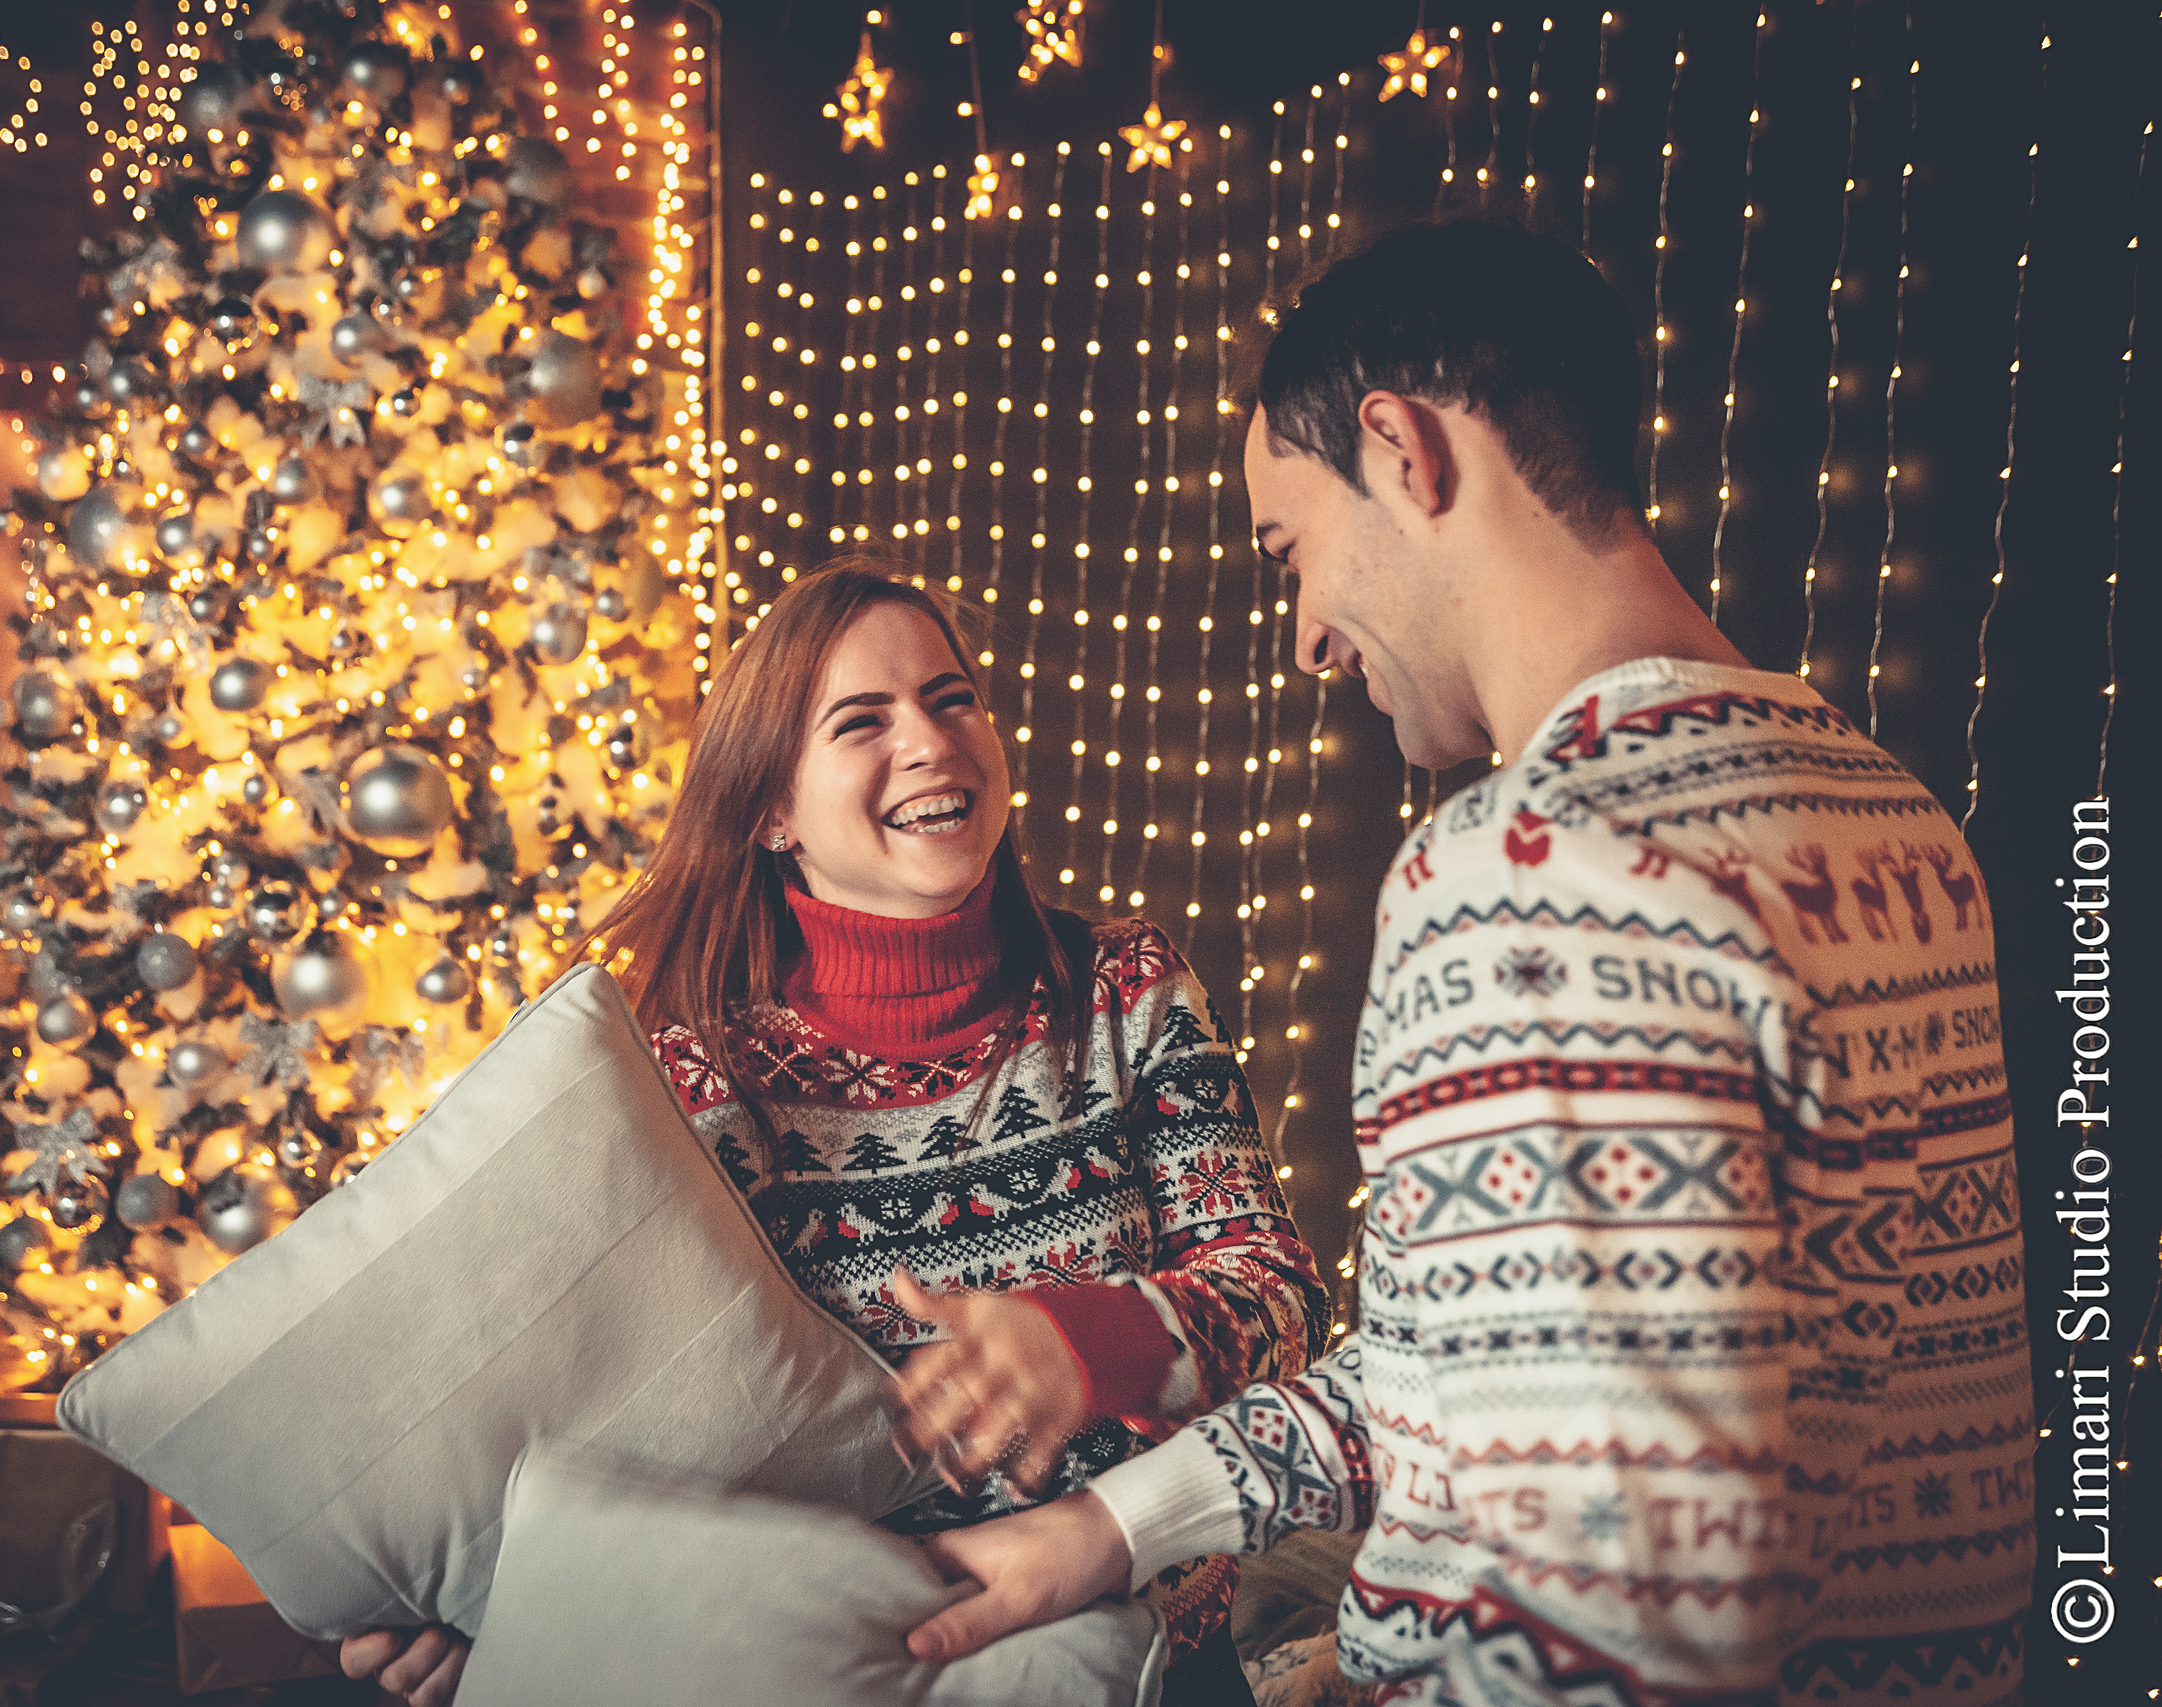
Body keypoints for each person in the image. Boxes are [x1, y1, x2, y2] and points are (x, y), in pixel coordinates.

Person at [900, 221, 2030, 1706]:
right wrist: (1113, 1526)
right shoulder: (1890, 812)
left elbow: (1635, 1629)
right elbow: (1483, 1369)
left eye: (1291, 550)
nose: (1304, 633)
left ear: (1405, 450)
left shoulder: (1527, 870)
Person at [342, 562, 1327, 1705]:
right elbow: (619, 1416)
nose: (928, 740)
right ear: (769, 810)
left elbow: (1282, 1301)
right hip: (832, 1669)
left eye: (951, 698)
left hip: (1148, 1655)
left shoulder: (1126, 989)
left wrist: (1089, 1340)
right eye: (863, 721)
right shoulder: (691, 1073)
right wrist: (494, 1609)